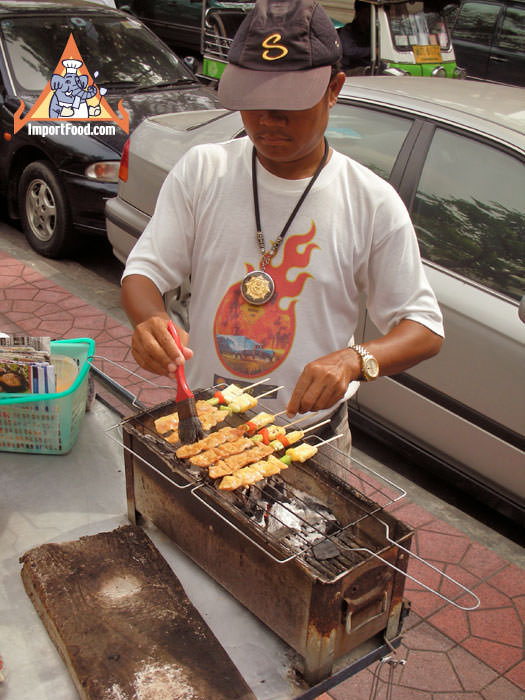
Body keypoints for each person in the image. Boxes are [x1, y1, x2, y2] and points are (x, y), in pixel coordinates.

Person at [120, 0, 443, 473]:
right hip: (206, 423)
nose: (268, 120)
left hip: (310, 440)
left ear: (334, 89)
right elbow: (144, 271)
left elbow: (424, 329)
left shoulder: (371, 202)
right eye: (252, 99)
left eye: (289, 103)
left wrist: (355, 359)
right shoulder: (203, 171)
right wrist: (148, 320)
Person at [337, 0, 372, 73]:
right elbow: (349, 51)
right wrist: (373, 50)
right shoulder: (347, 30)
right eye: (366, 13)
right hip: (347, 69)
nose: (368, 17)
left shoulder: (371, 31)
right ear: (359, 13)